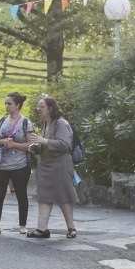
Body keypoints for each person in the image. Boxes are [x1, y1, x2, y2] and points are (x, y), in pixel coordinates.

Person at [27, 96, 79, 240]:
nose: (38, 109)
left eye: (41, 107)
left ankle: (71, 228)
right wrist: (36, 148)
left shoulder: (61, 123)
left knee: (64, 196)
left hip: (60, 164)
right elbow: (45, 144)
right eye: (38, 107)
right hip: (45, 164)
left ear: (50, 108)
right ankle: (42, 229)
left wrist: (43, 140)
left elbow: (64, 144)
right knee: (44, 196)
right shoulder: (45, 124)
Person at [0, 93, 37, 235]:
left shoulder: (25, 123)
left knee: (21, 195)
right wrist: (2, 142)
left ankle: (22, 225)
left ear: (17, 105)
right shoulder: (1, 120)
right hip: (0, 165)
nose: (6, 106)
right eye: (5, 103)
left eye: (9, 103)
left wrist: (13, 145)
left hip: (19, 165)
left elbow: (30, 145)